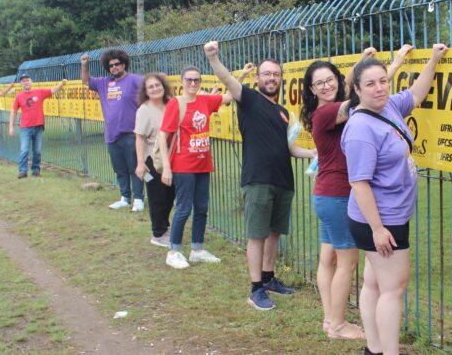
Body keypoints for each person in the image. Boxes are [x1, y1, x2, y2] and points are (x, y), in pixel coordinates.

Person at [341, 43, 446, 355]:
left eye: (383, 81)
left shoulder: (386, 107)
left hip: (388, 216)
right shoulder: (361, 127)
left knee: (374, 284)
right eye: (370, 84)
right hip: (380, 220)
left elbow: (416, 94)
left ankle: (373, 349)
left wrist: (434, 60)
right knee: (393, 289)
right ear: (357, 89)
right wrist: (377, 229)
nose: (379, 89)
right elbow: (359, 183)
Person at [299, 46, 409, 339]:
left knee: (328, 258)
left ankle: (329, 319)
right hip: (337, 194)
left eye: (330, 79)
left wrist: (366, 63)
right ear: (311, 89)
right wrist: (392, 64)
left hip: (325, 193)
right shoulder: (327, 112)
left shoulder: (330, 107)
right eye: (319, 83)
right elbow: (366, 95)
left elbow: (357, 87)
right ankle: (337, 324)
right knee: (346, 263)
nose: (327, 85)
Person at [206, 41, 316, 310]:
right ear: (258, 78)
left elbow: (289, 148)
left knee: (274, 232)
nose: (271, 78)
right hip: (257, 179)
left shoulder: (282, 113)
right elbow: (226, 78)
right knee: (257, 235)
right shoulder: (249, 99)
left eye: (276, 74)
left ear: (281, 78)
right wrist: (213, 58)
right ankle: (255, 289)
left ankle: (268, 279)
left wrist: (312, 153)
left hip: (283, 181)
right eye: (266, 73)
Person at [156, 66, 240, 269]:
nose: (193, 83)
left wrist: (243, 74)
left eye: (196, 80)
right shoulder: (176, 104)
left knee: (202, 207)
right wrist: (167, 168)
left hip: (203, 163)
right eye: (189, 80)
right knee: (184, 207)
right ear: (182, 81)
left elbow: (231, 95)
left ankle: (197, 249)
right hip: (183, 164)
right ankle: (173, 251)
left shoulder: (205, 101)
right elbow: (162, 135)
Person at [82, 49, 146, 212]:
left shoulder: (135, 80)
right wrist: (85, 65)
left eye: (117, 64)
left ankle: (138, 199)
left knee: (136, 168)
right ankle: (125, 197)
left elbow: (152, 90)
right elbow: (86, 81)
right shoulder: (104, 83)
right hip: (111, 135)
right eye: (111, 65)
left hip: (131, 134)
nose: (114, 67)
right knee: (120, 169)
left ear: (124, 64)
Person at [134, 73, 177, 248]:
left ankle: (164, 228)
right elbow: (139, 138)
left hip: (171, 156)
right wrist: (140, 163)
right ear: (145, 91)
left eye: (157, 85)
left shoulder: (171, 104)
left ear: (163, 86)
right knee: (157, 197)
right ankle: (158, 233)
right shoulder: (144, 110)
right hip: (152, 159)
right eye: (150, 86)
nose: (155, 89)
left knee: (170, 195)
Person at [9, 74, 66, 178]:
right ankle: (23, 171)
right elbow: (13, 111)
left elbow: (52, 90)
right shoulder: (19, 96)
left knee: (37, 150)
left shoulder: (39, 92)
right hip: (25, 127)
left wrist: (61, 84)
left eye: (28, 80)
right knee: (24, 149)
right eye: (24, 81)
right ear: (21, 83)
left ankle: (36, 170)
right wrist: (11, 127)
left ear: (31, 82)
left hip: (38, 126)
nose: (26, 82)